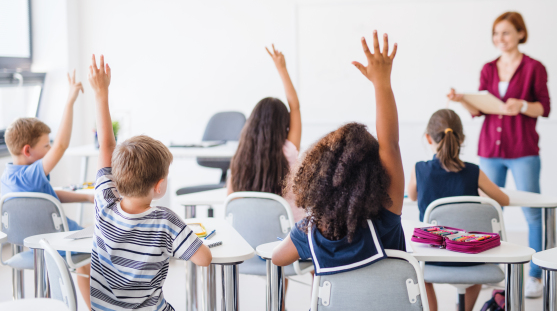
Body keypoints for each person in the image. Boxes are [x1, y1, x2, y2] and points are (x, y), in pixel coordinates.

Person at [272, 31, 405, 276]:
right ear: (375, 172)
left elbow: (278, 258)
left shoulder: (311, 232)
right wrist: (382, 83)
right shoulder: (388, 213)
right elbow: (391, 144)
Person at [88, 55, 211, 311]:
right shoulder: (166, 220)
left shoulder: (105, 201)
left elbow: (106, 146)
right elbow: (204, 259)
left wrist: (101, 93)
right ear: (159, 186)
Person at [447, 11, 550, 298]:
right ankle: (494, 270)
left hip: (523, 149)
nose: (500, 39)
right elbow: (479, 110)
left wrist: (523, 106)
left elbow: (544, 107)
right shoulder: (488, 68)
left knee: (532, 214)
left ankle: (535, 276)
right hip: (491, 148)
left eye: (505, 32)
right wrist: (463, 99)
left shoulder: (534, 67)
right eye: (496, 33)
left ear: (520, 33)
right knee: (491, 212)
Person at [1, 71, 93, 309]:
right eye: (46, 145)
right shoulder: (31, 173)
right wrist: (70, 100)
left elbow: (46, 197)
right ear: (28, 150)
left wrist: (85, 197)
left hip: (27, 246)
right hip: (60, 243)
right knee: (93, 249)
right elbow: (62, 145)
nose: (51, 147)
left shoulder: (9, 178)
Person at [407, 109, 509, 311]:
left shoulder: (420, 170)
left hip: (432, 260)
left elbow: (411, 196)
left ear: (428, 138)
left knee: (417, 264)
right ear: (461, 138)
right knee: (479, 250)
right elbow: (502, 199)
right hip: (469, 258)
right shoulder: (473, 171)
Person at [227, 44, 303, 222]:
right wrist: (282, 68)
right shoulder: (289, 151)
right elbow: (295, 107)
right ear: (284, 124)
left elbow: (231, 202)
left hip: (249, 236)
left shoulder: (239, 157)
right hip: (287, 238)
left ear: (252, 123)